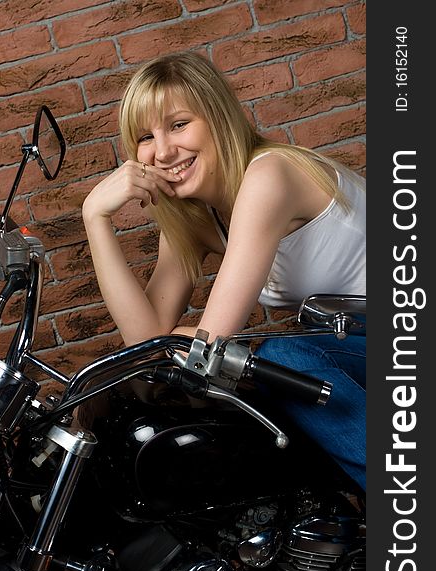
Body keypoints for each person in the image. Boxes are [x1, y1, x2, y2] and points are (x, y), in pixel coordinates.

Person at [82, 51, 366, 491]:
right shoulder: (196, 217)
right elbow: (146, 343)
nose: (162, 151)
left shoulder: (269, 175)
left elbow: (210, 348)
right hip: (352, 334)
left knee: (281, 360)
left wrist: (180, 339)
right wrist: (95, 219)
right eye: (145, 137)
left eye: (178, 125)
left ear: (218, 117)